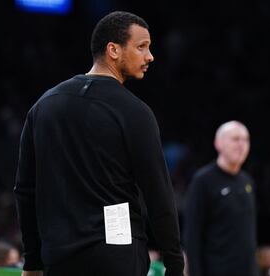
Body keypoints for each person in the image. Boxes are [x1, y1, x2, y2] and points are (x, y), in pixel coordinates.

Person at [14, 11, 184, 276]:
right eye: (141, 47)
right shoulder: (134, 111)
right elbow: (158, 193)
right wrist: (175, 265)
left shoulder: (44, 105)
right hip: (116, 256)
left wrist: (32, 261)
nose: (150, 56)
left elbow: (25, 190)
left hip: (59, 258)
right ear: (113, 50)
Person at [183, 120, 258, 276]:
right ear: (218, 143)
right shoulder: (203, 181)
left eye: (246, 139)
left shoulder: (247, 181)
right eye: (235, 139)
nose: (241, 144)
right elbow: (192, 235)